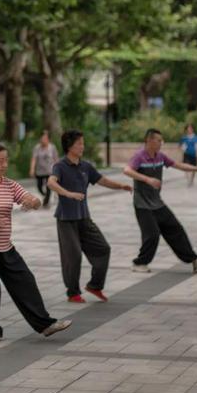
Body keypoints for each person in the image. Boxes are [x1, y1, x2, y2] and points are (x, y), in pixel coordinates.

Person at [0, 142, 72, 342]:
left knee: (25, 280)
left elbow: (31, 199)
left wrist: (33, 202)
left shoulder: (9, 184)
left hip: (4, 246)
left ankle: (45, 325)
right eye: (1, 161)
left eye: (6, 160)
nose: (5, 164)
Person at [48, 129, 132, 303]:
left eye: (82, 143)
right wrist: (68, 194)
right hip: (66, 220)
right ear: (69, 146)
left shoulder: (86, 166)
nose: (82, 146)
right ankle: (73, 292)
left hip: (84, 218)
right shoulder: (60, 166)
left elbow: (103, 180)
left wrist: (121, 186)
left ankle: (94, 285)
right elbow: (51, 182)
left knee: (103, 249)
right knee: (74, 256)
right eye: (79, 143)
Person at [124, 128, 197, 274]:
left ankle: (195, 261)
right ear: (149, 141)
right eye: (159, 140)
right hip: (142, 205)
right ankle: (139, 263)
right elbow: (127, 170)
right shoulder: (139, 156)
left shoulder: (160, 156)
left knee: (176, 229)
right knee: (152, 234)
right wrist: (147, 179)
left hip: (157, 203)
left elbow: (178, 165)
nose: (161, 143)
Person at [30, 130, 58, 208]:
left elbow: (56, 158)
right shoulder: (37, 148)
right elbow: (34, 159)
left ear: (48, 139)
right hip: (40, 171)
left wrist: (58, 169)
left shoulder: (52, 147)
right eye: (41, 139)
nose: (43, 141)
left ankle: (46, 202)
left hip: (49, 170)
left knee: (48, 186)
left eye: (44, 139)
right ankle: (45, 195)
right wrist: (32, 169)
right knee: (39, 186)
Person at [179, 123, 197, 187]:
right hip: (186, 154)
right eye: (188, 128)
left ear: (193, 129)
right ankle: (188, 180)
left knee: (193, 168)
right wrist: (181, 156)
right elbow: (182, 147)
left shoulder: (196, 138)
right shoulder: (184, 138)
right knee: (186, 168)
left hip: (194, 155)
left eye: (191, 128)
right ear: (186, 130)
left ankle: (191, 180)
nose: (189, 130)